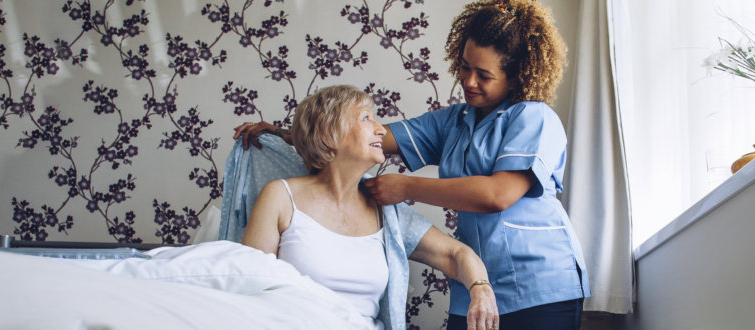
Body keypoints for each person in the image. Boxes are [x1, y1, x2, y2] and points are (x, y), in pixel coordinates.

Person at [237, 1, 585, 329]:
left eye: (484, 74)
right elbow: (356, 139)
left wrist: (405, 187)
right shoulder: (453, 122)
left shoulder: (534, 118)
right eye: (464, 67)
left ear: (516, 76)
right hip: (474, 284)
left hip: (539, 284)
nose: (468, 81)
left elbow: (497, 194)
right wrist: (288, 134)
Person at [239, 85, 500, 330]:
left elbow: (456, 254)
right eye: (366, 118)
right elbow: (247, 286)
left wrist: (481, 289)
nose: (381, 130)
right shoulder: (280, 196)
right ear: (327, 134)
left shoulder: (386, 213)